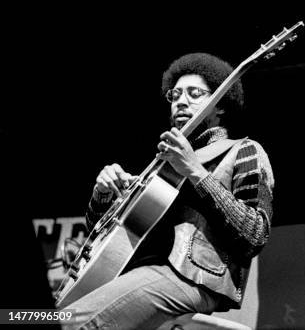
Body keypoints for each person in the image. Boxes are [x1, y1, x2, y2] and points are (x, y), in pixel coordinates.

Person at [65, 53, 274, 329]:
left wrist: (196, 172)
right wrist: (103, 194)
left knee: (70, 322)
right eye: (175, 95)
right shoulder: (162, 165)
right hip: (132, 274)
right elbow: (103, 238)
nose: (181, 101)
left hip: (187, 278)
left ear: (220, 105)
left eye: (194, 93)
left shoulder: (243, 150)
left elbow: (255, 235)